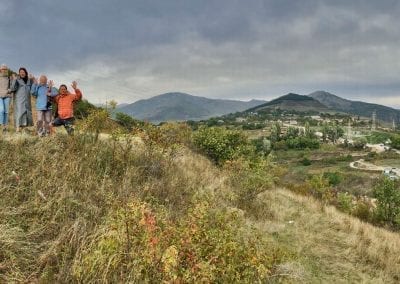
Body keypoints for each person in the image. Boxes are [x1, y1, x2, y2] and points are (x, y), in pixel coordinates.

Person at [9, 67, 34, 132]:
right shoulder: (17, 79)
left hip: (27, 99)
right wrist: (14, 80)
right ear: (19, 73)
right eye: (20, 72)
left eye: (23, 72)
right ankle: (17, 128)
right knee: (19, 112)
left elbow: (32, 89)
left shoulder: (29, 80)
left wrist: (32, 80)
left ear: (25, 73)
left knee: (26, 113)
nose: (22, 73)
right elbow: (12, 89)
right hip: (19, 99)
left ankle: (24, 128)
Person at [0, 64, 11, 132]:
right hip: (0, 96)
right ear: (0, 70)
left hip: (7, 96)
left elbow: (11, 87)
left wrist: (8, 90)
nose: (4, 70)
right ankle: (1, 125)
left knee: (6, 112)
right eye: (3, 69)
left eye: (5, 69)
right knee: (1, 110)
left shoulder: (9, 78)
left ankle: (5, 128)